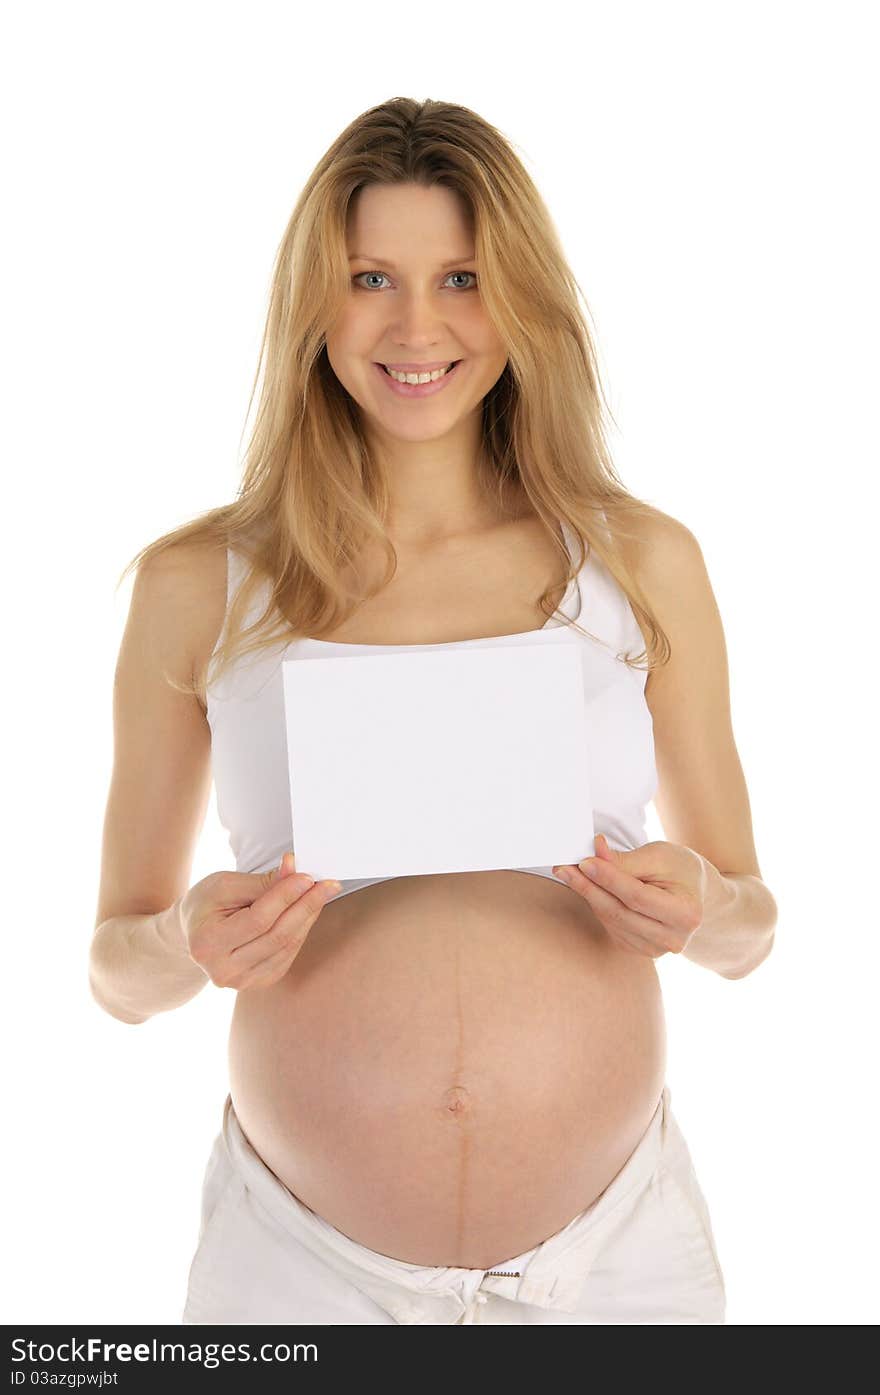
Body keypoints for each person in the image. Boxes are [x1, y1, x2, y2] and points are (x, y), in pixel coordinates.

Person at [88, 97, 778, 1326]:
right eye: (370, 276)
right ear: (315, 300)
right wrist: (183, 945)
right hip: (298, 1274)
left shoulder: (640, 562)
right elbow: (115, 972)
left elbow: (749, 930)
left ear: (521, 298)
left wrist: (703, 905)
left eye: (463, 277)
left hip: (614, 1264)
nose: (418, 326)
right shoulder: (201, 583)